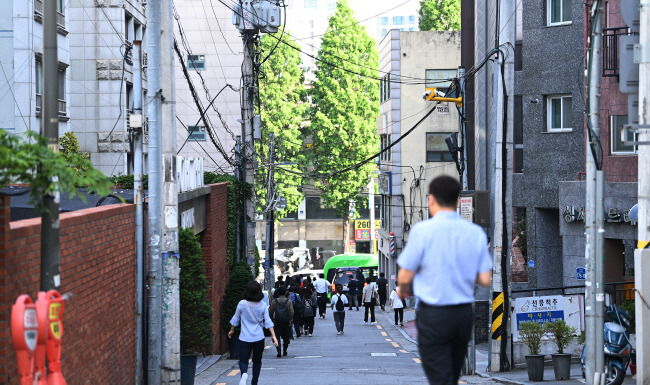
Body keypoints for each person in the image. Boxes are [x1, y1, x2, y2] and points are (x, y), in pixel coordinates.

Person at [397, 175, 492, 385]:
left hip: (434, 315)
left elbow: (405, 273)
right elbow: (485, 278)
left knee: (440, 376)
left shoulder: (421, 231)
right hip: (463, 314)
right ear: (457, 201)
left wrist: (402, 289)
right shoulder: (475, 233)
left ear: (431, 200)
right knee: (451, 372)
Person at [229, 280, 279, 385]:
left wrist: (232, 330)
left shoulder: (242, 304)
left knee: (243, 360)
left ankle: (243, 374)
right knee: (257, 361)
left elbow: (235, 319)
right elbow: (268, 322)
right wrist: (274, 336)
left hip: (244, 338)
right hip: (259, 338)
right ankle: (254, 382)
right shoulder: (262, 305)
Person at [268, 287, 294, 357]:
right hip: (286, 321)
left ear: (278, 293)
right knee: (286, 336)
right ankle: (285, 350)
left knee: (277, 336)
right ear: (285, 292)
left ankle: (278, 350)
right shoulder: (288, 301)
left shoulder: (274, 301)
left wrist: (272, 318)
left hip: (277, 321)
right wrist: (290, 319)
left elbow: (270, 311)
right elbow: (291, 312)